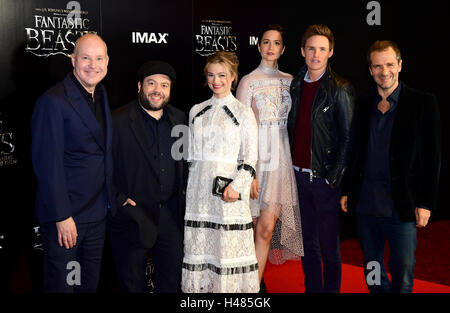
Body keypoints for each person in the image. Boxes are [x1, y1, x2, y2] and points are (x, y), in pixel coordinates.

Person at [340, 40, 441, 293]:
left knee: (403, 273)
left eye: (389, 64)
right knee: (372, 270)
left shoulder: (423, 103)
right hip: (366, 204)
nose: (384, 71)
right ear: (370, 70)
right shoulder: (362, 104)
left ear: (400, 65)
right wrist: (346, 190)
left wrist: (425, 203)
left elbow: (432, 157)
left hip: (402, 205)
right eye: (377, 66)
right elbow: (353, 151)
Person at [31, 33, 114, 293]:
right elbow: (47, 165)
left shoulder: (100, 94)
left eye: (99, 58)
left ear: (107, 61)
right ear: (73, 60)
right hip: (67, 217)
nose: (93, 65)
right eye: (86, 58)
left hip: (97, 213)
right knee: (63, 287)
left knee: (88, 285)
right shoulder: (53, 101)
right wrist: (62, 216)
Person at [182, 51, 259, 293]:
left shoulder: (243, 112)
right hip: (199, 196)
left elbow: (251, 157)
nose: (217, 81)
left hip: (229, 195)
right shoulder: (196, 110)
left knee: (225, 255)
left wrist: (236, 187)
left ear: (233, 76)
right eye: (211, 75)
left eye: (222, 75)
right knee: (202, 253)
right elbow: (192, 157)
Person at [107, 60, 186, 293]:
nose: (157, 90)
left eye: (164, 85)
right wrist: (118, 199)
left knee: (171, 282)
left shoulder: (179, 119)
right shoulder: (117, 121)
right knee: (132, 285)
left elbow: (184, 164)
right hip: (133, 215)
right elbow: (101, 167)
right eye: (151, 83)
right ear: (139, 86)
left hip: (170, 217)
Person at [287, 24, 355, 293]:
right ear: (303, 51)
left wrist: (332, 178)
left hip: (323, 180)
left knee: (328, 246)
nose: (316, 54)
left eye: (322, 49)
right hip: (297, 177)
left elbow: (349, 138)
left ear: (331, 52)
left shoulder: (341, 88)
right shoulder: (294, 84)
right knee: (308, 245)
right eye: (311, 48)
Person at [236, 24, 303, 287]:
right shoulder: (248, 81)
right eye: (266, 42)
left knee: (266, 228)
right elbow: (241, 130)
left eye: (276, 43)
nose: (270, 47)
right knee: (250, 230)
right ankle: (245, 286)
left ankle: (252, 287)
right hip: (256, 160)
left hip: (282, 162)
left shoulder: (290, 81)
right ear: (259, 45)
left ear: (283, 49)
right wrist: (248, 171)